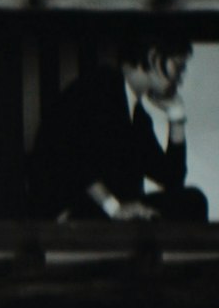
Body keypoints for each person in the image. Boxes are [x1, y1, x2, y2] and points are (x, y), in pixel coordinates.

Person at [30, 34, 205, 221]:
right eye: (178, 66)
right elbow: (76, 157)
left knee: (192, 201)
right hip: (71, 212)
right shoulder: (98, 86)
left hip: (105, 213)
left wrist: (176, 118)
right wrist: (115, 209)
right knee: (190, 203)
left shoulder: (137, 117)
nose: (181, 77)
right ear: (153, 57)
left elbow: (172, 178)